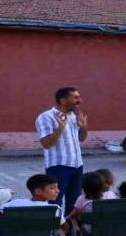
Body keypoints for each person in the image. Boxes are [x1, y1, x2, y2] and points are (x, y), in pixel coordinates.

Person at [36, 87, 88, 215]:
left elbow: (81, 138)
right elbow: (46, 144)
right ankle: (54, 233)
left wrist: (84, 127)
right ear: (63, 100)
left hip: (77, 166)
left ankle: (69, 234)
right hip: (58, 167)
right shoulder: (46, 117)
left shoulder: (74, 116)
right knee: (54, 204)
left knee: (74, 204)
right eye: (75, 98)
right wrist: (60, 129)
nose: (79, 100)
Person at [67, 171, 111, 236]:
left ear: (84, 188)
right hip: (108, 232)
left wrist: (66, 219)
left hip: (88, 232)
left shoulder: (82, 199)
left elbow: (73, 214)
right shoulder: (110, 196)